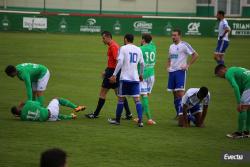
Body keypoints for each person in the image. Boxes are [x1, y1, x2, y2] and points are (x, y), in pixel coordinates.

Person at [85, 31, 132, 119]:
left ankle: (95, 114)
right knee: (119, 94)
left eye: (103, 38)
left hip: (112, 73)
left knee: (103, 93)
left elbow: (118, 61)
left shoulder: (113, 46)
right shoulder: (113, 45)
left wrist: (112, 74)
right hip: (112, 72)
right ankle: (129, 114)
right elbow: (113, 62)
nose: (102, 40)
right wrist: (106, 70)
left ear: (108, 37)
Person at [108, 34, 145, 127]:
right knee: (137, 100)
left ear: (125, 39)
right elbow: (142, 64)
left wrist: (114, 75)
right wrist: (140, 74)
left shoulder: (123, 48)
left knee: (121, 99)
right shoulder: (138, 49)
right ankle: (140, 121)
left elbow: (120, 62)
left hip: (124, 78)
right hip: (135, 78)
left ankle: (117, 120)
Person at [167, 29, 199, 118]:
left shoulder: (184, 45)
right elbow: (169, 58)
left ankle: (186, 114)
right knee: (174, 94)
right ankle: (179, 114)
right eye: (172, 35)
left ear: (179, 36)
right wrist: (168, 66)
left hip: (180, 72)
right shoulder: (171, 46)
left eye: (175, 35)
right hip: (172, 72)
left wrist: (188, 65)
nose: (173, 37)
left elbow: (195, 55)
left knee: (180, 94)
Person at [215, 64, 250, 139]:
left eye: (219, 75)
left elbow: (235, 86)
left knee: (242, 108)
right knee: (248, 108)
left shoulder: (228, 73)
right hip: (248, 83)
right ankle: (247, 131)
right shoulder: (234, 69)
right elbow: (241, 86)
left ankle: (239, 133)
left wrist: (239, 102)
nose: (220, 77)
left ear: (222, 70)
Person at [135, 34, 157, 125]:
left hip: (142, 76)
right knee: (146, 97)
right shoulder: (153, 47)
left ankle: (149, 119)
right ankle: (139, 117)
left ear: (143, 40)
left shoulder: (140, 49)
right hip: (151, 75)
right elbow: (150, 41)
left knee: (144, 97)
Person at [10, 97, 86, 121]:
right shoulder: (28, 104)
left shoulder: (23, 118)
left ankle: (72, 117)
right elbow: (39, 104)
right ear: (19, 107)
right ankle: (76, 107)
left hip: (49, 119)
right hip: (50, 112)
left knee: (56, 116)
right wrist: (24, 104)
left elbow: (19, 115)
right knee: (57, 99)